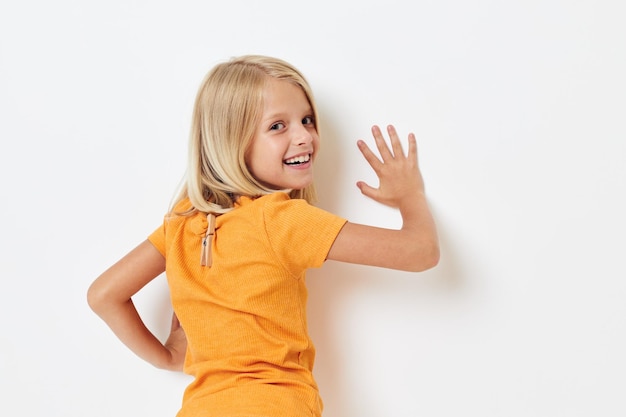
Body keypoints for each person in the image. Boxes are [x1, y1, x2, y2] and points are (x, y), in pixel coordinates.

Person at [87, 54, 439, 417]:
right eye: (277, 127)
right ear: (232, 141)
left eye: (306, 120)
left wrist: (167, 357)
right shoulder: (281, 219)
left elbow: (104, 295)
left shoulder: (181, 223)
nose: (304, 136)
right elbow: (421, 251)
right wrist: (409, 195)